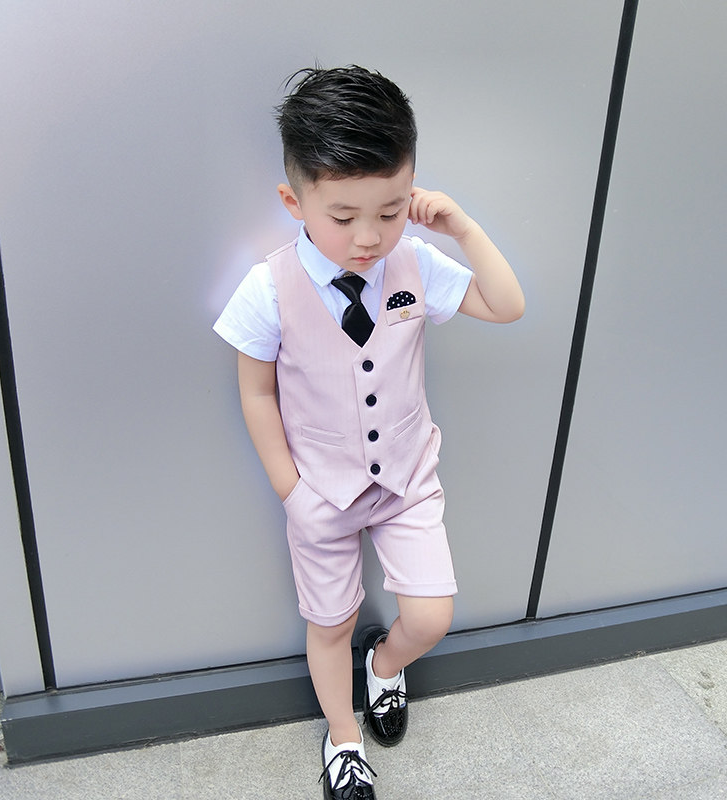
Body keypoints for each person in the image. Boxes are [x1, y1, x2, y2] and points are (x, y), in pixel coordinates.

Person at [213, 65, 524, 800]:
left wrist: (464, 229)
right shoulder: (269, 287)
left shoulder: (415, 261)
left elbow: (506, 305)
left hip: (408, 481)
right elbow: (256, 391)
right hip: (320, 492)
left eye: (389, 212)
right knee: (330, 622)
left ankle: (385, 667)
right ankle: (343, 738)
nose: (368, 237)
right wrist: (291, 490)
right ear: (294, 202)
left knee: (431, 614)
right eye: (344, 216)